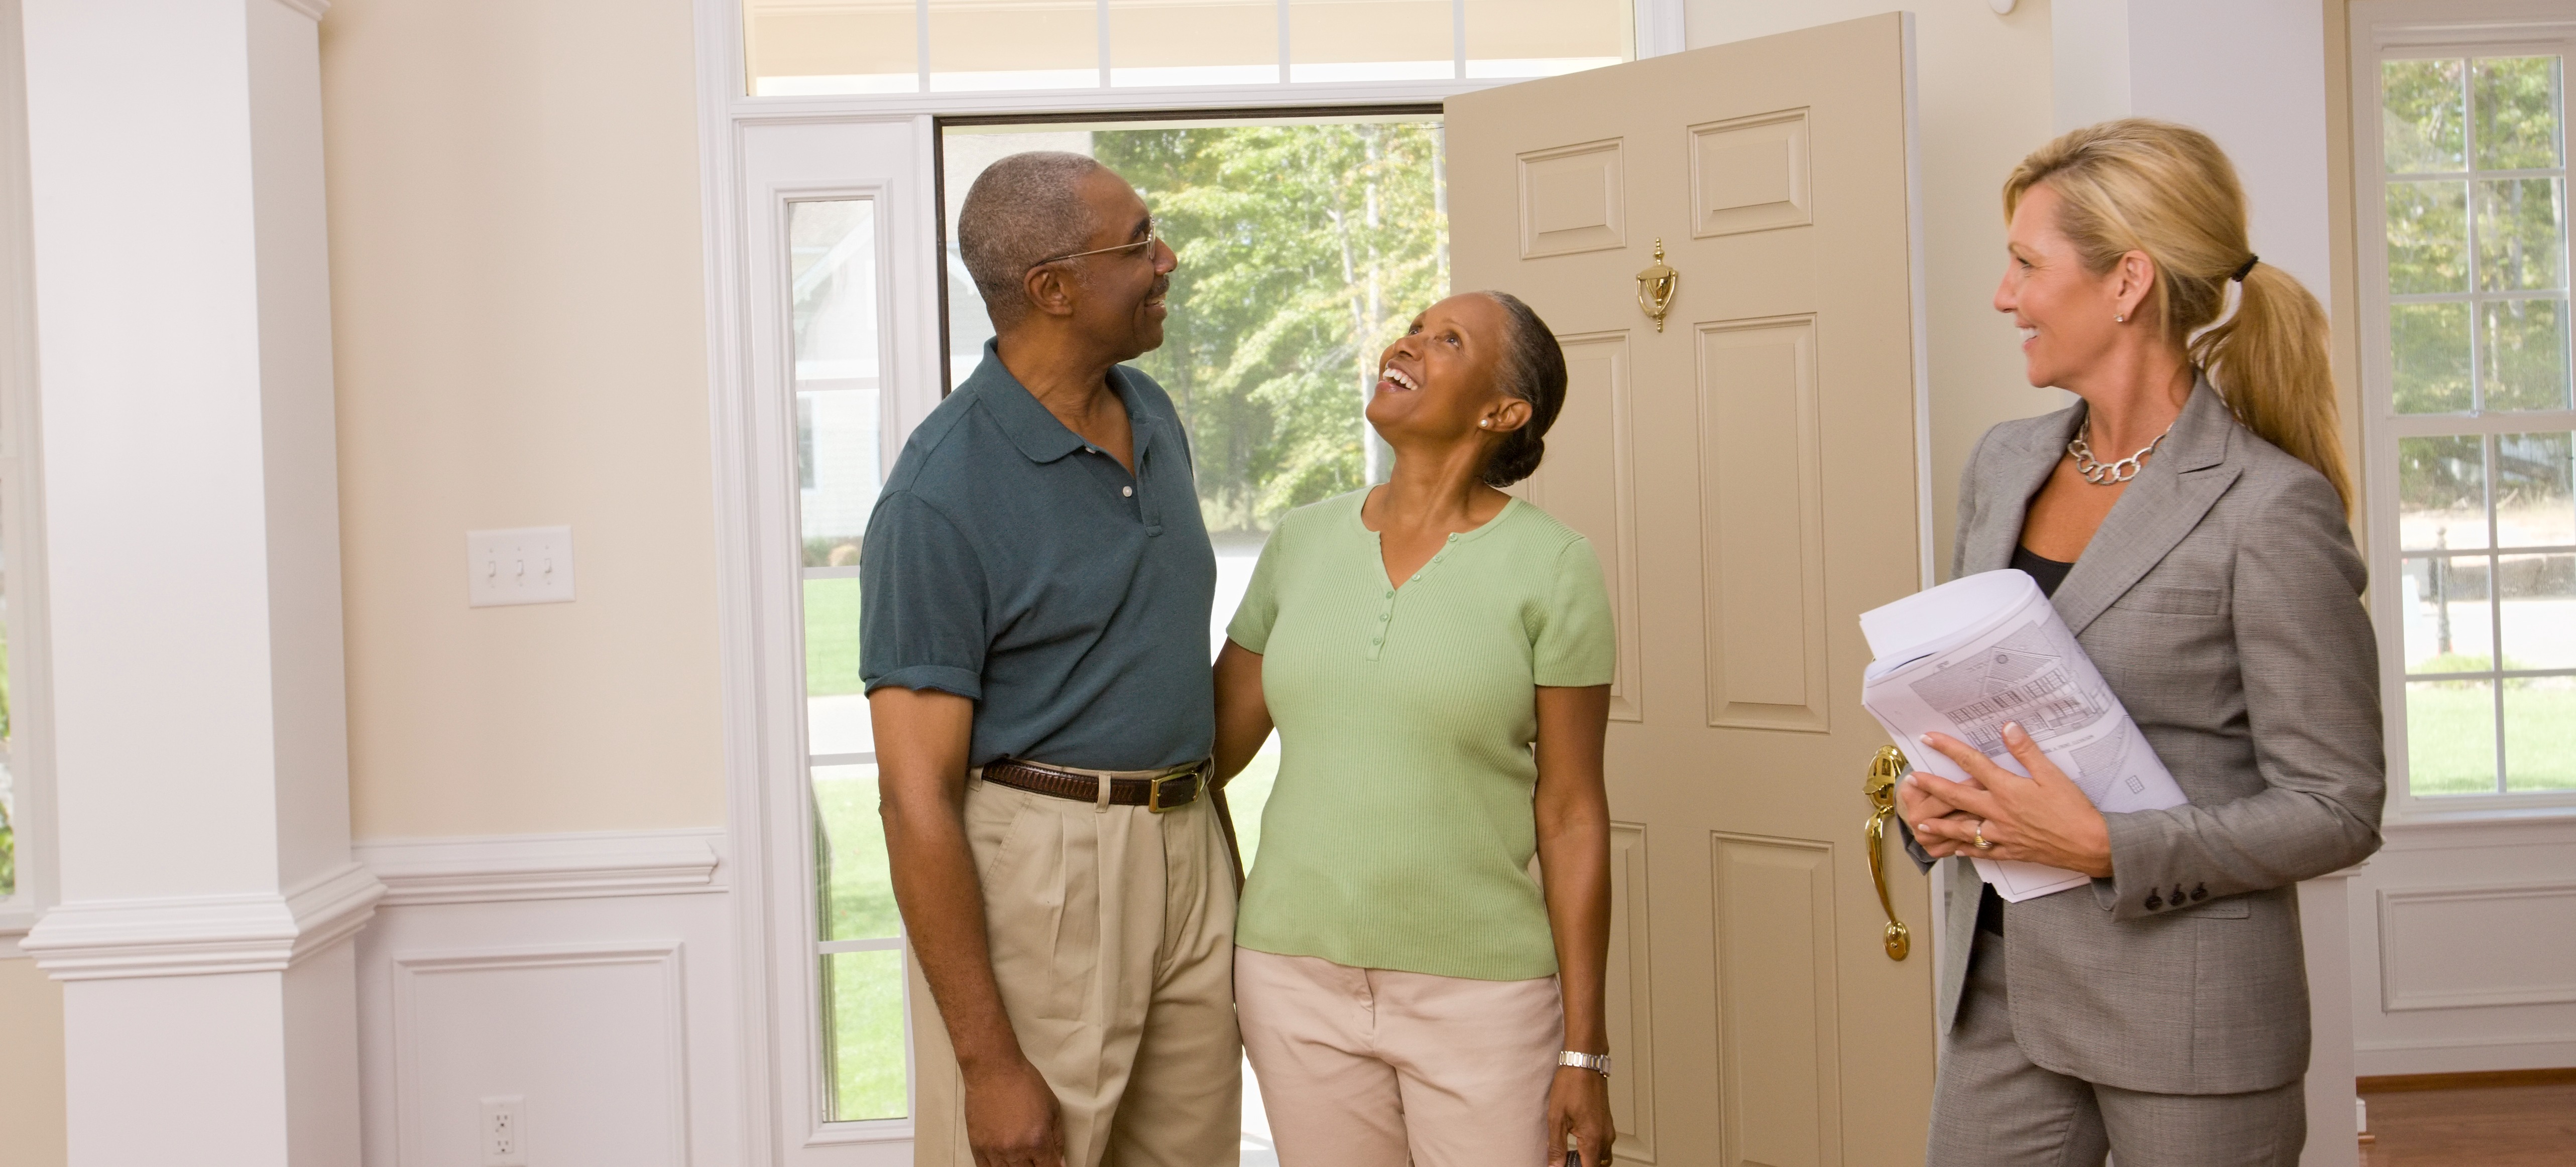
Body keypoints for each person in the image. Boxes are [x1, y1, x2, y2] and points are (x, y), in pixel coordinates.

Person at [1898, 118, 2384, 1166]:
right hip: (2001, 996)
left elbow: (2338, 806)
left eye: (2028, 265)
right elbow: (1977, 693)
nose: (2003, 295)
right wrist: (1933, 793)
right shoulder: (2004, 462)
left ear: (2127, 283)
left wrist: (2108, 847)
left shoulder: (2269, 506)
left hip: (2192, 1026)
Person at [864, 151, 1238, 1167]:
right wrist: (989, 1065)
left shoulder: (1152, 414)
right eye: (1138, 243)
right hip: (1046, 870)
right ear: (1054, 287)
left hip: (1190, 848)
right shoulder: (937, 496)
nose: (1167, 259)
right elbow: (914, 797)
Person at [1212, 292, 1618, 1167]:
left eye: (1448, 340)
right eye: (1415, 327)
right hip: (1291, 982)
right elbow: (1206, 757)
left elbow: (1574, 812)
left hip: (1481, 997)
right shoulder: (1301, 542)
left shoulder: (1554, 566)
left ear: (1500, 411)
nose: (1410, 343)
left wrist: (1583, 1050)